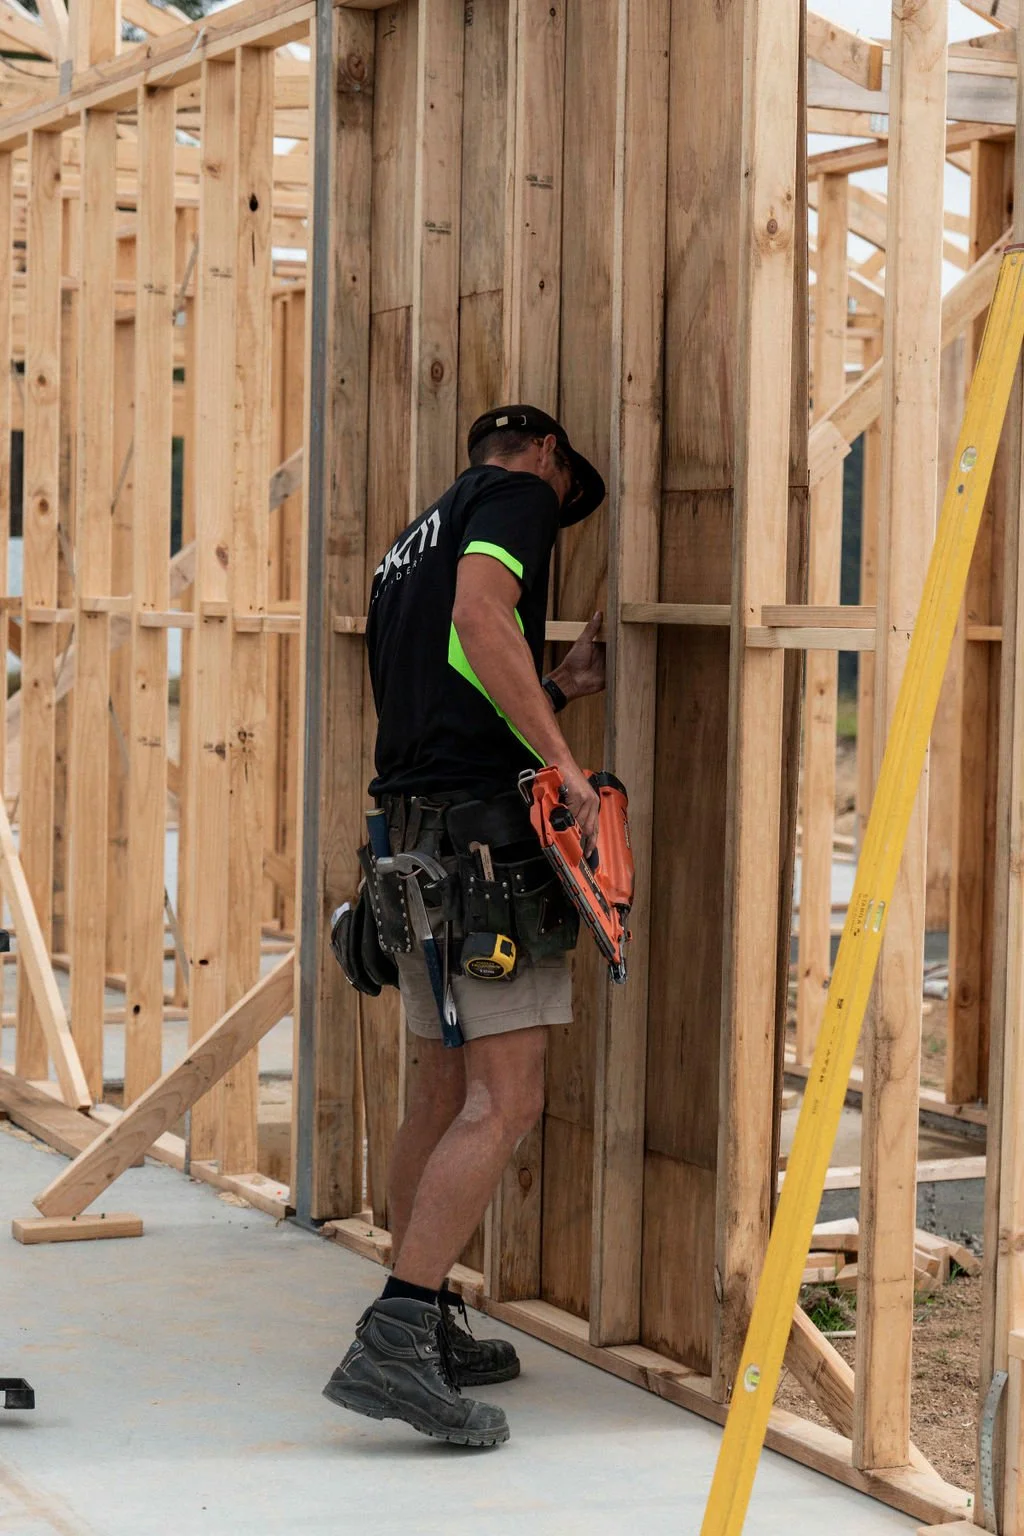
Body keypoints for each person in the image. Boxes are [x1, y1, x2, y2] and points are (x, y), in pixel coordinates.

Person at [323, 406, 607, 1447]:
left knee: (441, 1086)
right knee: (506, 1097)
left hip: (416, 839)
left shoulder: (413, 540)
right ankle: (396, 1341)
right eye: (563, 499)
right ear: (543, 455)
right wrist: (564, 767)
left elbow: (445, 685)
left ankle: (429, 1313)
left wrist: (555, 693)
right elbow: (487, 621)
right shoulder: (517, 495)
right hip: (481, 854)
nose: (554, 521)